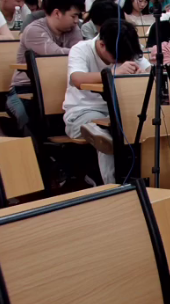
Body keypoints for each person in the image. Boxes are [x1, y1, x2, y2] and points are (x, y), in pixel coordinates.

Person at [64, 19, 150, 184]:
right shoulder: (81, 49)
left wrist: (141, 74)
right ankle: (113, 186)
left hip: (119, 113)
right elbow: (77, 78)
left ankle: (145, 181)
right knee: (108, 134)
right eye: (116, 58)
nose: (120, 61)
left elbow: (149, 71)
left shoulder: (127, 47)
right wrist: (112, 72)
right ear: (102, 45)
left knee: (142, 126)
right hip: (83, 113)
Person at [11, 0, 84, 90]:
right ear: (57, 13)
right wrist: (83, 51)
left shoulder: (73, 28)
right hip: (27, 87)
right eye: (73, 16)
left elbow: (80, 53)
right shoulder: (34, 30)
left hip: (60, 84)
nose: (76, 21)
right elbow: (56, 54)